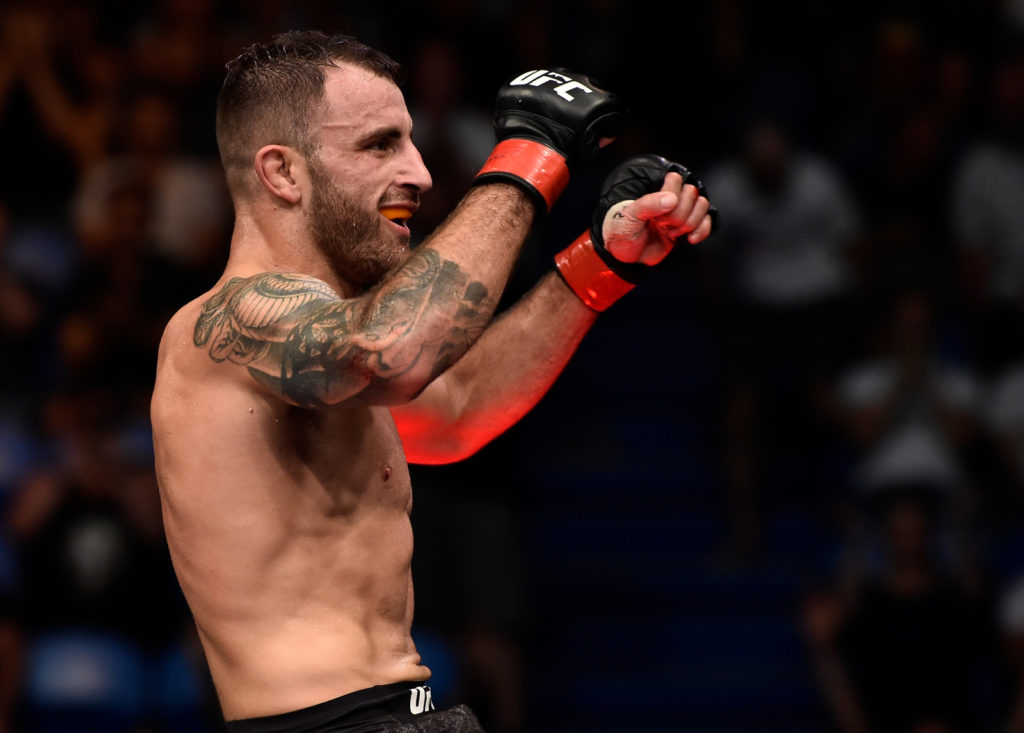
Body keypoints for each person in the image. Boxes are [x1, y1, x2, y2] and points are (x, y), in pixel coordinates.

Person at [150, 30, 716, 732]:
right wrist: (528, 158)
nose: (418, 173)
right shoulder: (228, 323)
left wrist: (601, 261)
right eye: (380, 144)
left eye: (411, 142)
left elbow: (455, 414)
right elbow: (392, 352)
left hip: (404, 710)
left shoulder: (333, 355)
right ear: (282, 173)